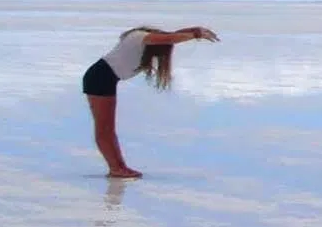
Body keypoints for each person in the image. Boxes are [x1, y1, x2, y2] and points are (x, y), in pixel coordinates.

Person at [81, 24, 219, 179]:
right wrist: (196, 34)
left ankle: (119, 167)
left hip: (104, 78)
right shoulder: (139, 37)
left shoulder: (143, 40)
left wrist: (193, 30)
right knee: (105, 128)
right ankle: (116, 168)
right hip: (100, 78)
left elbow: (170, 36)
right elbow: (169, 38)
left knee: (106, 128)